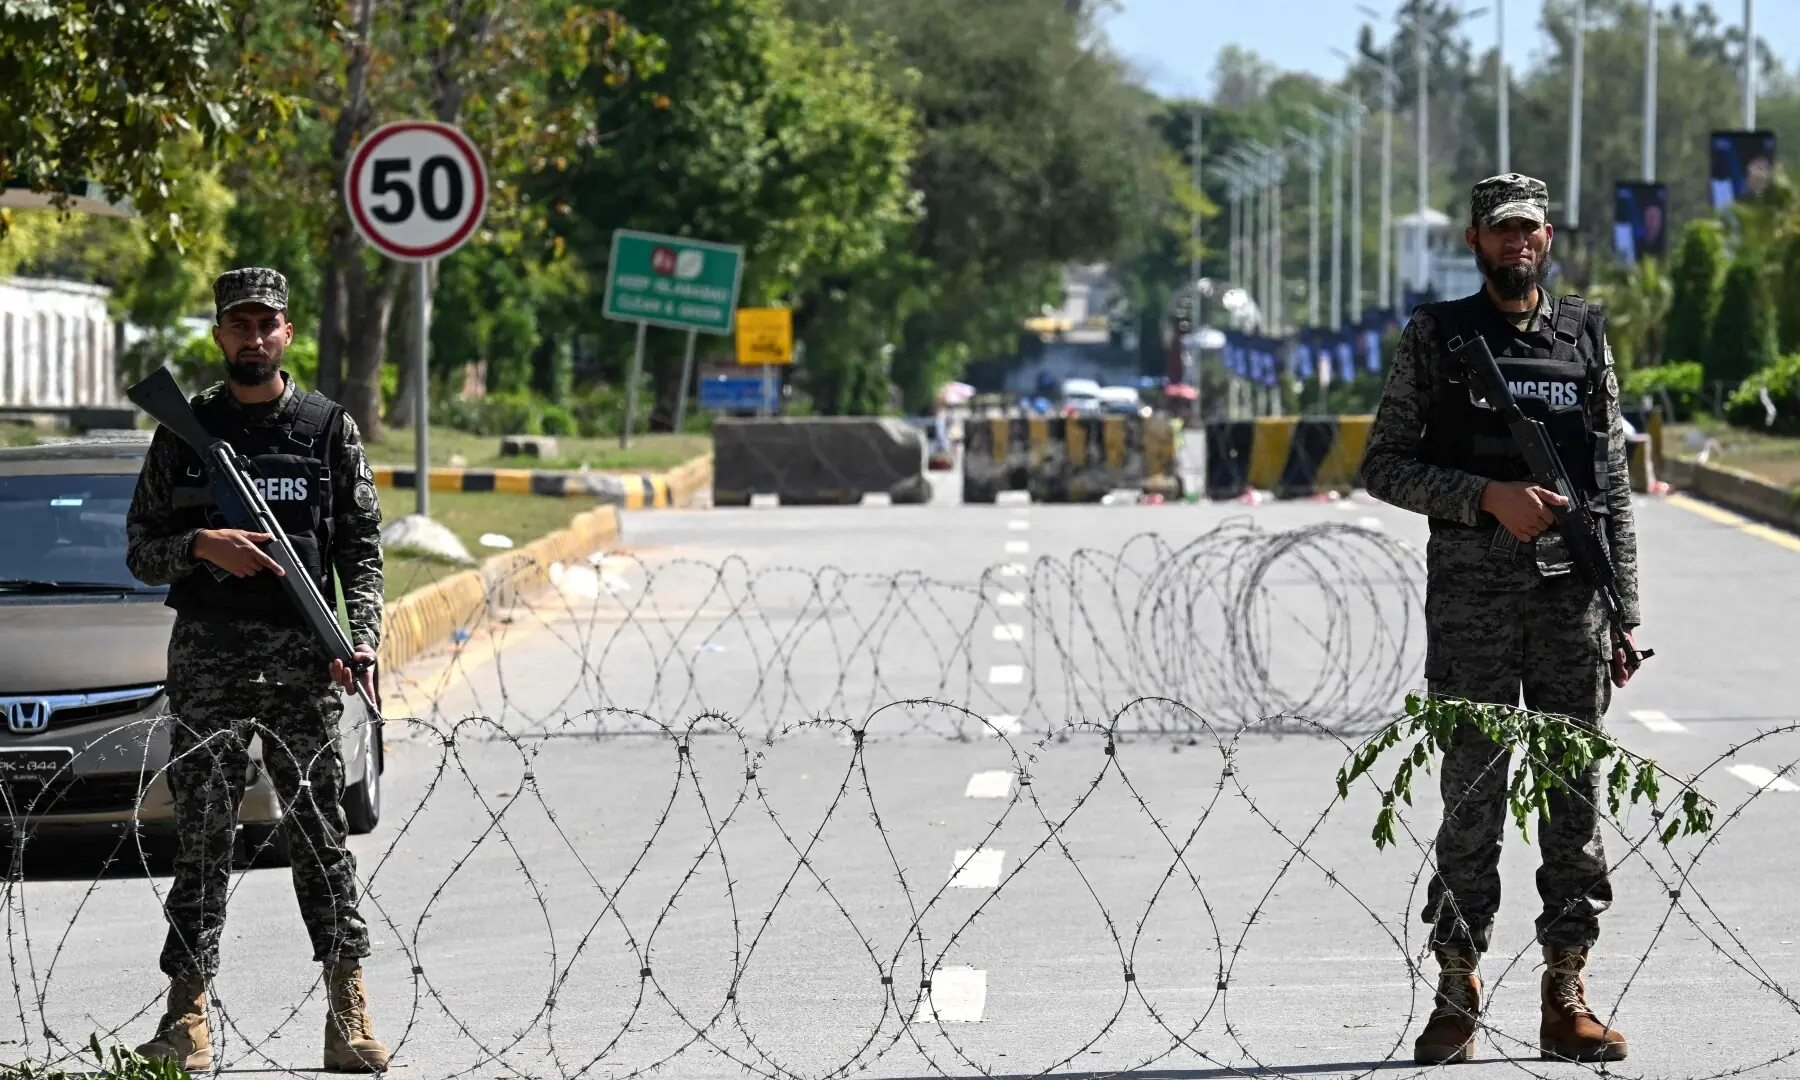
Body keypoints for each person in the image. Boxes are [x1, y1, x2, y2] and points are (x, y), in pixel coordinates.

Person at [1360, 174, 1642, 1066]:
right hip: (1475, 605)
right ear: (1475, 241)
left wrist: (1624, 611)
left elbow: (1613, 485)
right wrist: (1486, 497)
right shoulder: (1439, 339)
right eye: (1501, 230)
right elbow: (1385, 466)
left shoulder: (1584, 338)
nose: (1517, 244)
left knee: (1574, 802)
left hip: (1571, 609)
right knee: (1472, 802)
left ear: (1548, 238)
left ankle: (1568, 992)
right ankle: (1457, 987)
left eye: (1530, 230)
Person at [124, 267, 391, 1073]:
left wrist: (364, 638)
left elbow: (362, 553)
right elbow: (139, 549)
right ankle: (187, 1016)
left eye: (266, 323)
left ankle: (348, 1010)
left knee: (320, 839)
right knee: (202, 841)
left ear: (287, 334)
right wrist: (203, 545)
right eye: (238, 324)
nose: (253, 336)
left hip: (303, 668)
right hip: (207, 663)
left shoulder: (326, 428)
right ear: (218, 334)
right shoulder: (184, 428)